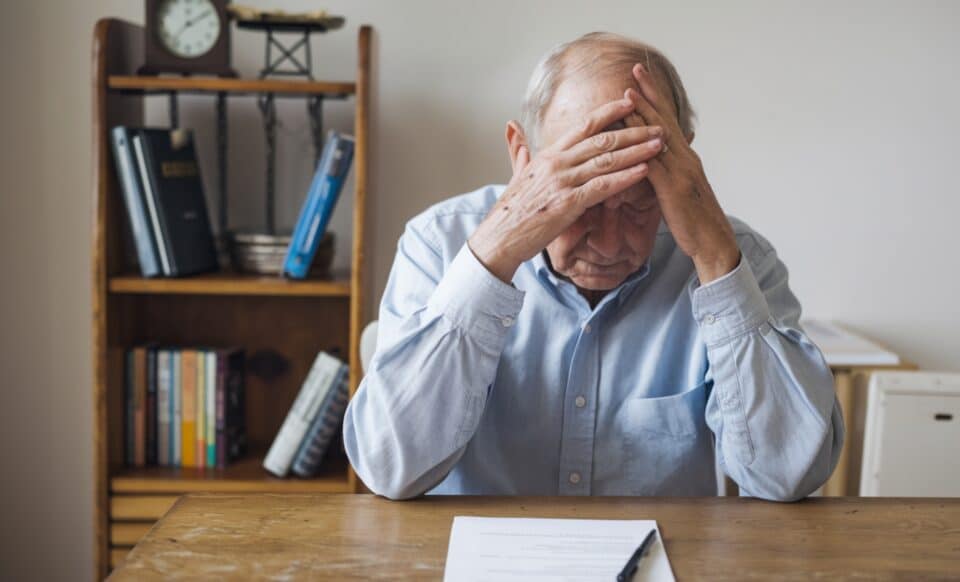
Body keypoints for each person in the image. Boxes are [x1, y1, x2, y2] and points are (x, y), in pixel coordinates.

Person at [343, 32, 844, 501]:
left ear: (683, 160)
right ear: (523, 156)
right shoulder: (439, 244)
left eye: (639, 204)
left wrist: (716, 262)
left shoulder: (738, 259)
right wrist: (493, 257)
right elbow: (392, 469)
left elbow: (789, 475)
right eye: (580, 201)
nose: (608, 244)